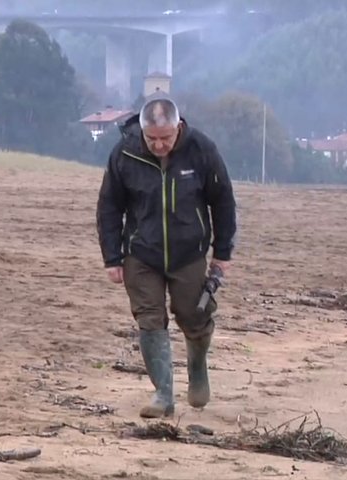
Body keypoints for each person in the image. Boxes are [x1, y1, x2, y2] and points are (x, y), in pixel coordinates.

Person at [96, 93, 237, 418]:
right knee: (149, 319)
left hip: (189, 252)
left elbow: (224, 201)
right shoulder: (125, 152)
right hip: (141, 253)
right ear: (143, 131)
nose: (159, 145)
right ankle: (163, 394)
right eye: (152, 139)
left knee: (193, 315)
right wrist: (112, 257)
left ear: (179, 127)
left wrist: (222, 253)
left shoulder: (202, 150)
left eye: (166, 138)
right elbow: (109, 206)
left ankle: (197, 368)